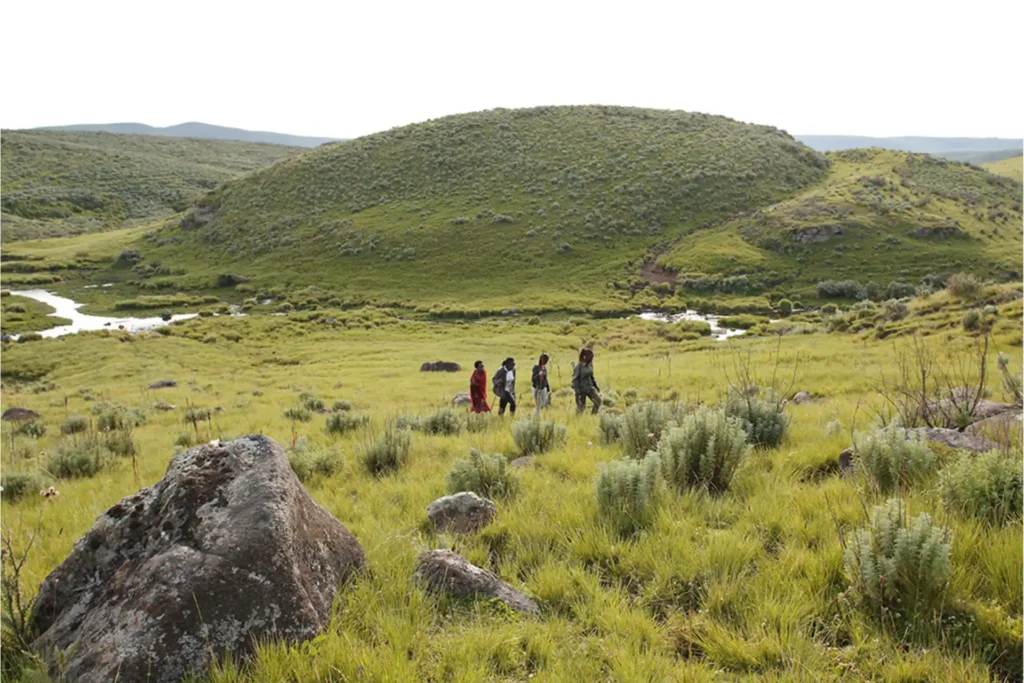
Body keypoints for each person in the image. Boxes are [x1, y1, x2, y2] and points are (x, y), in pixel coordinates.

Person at [571, 348, 602, 415]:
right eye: (591, 357)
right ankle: (577, 421)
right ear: (586, 357)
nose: (592, 359)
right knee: (581, 407)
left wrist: (595, 386)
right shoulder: (579, 366)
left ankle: (593, 415)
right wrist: (577, 392)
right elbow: (575, 380)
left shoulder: (590, 365)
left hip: (590, 388)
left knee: (598, 401)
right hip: (581, 390)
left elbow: (591, 376)